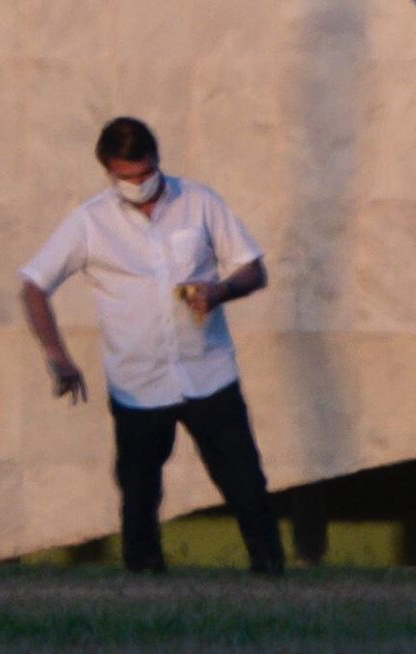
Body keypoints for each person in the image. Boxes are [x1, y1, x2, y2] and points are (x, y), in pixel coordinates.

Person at [19, 117, 284, 575]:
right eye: (126, 178)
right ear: (108, 171)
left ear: (157, 161)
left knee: (244, 480)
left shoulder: (198, 201)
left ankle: (270, 570)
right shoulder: (90, 221)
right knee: (139, 489)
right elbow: (33, 287)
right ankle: (143, 577)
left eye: (144, 175)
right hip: (138, 381)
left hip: (208, 371)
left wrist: (219, 290)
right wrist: (58, 358)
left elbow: (252, 269)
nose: (138, 186)